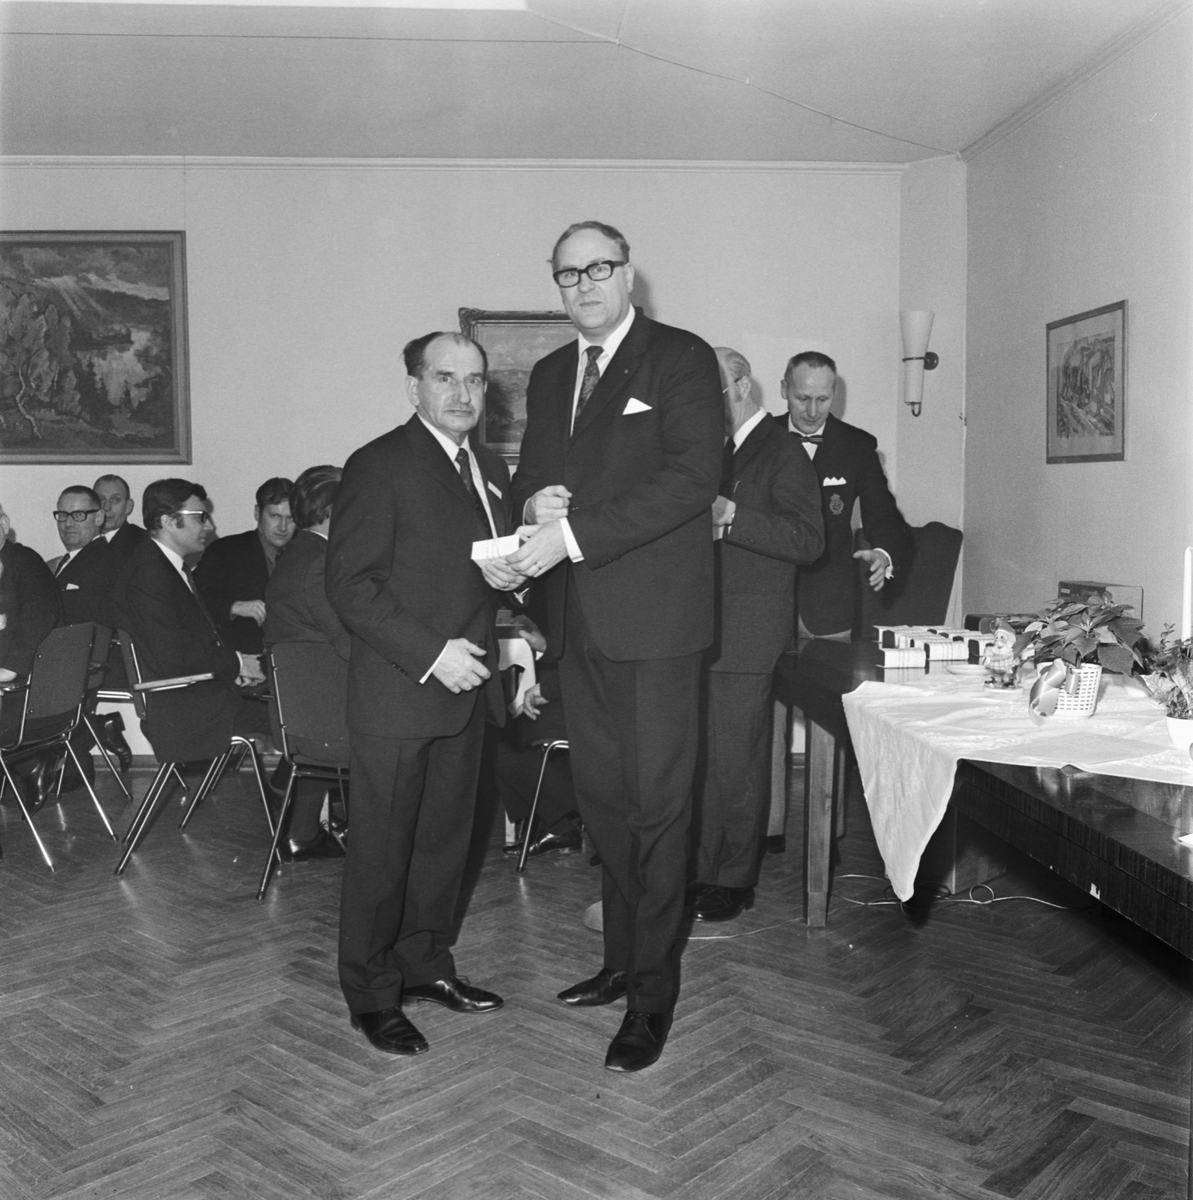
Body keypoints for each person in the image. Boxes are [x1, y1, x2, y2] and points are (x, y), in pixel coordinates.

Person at [508, 220, 723, 1072]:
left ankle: (651, 999)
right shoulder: (551, 374)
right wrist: (532, 506)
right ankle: (621, 960)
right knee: (602, 805)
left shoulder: (679, 358)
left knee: (658, 810)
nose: (584, 285)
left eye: (598, 268)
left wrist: (572, 536)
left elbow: (691, 481)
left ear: (628, 274)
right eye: (567, 274)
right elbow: (529, 479)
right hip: (578, 627)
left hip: (657, 627)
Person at [326, 331, 514, 1058]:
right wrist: (434, 655)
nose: (463, 394)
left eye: (475, 380)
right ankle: (372, 994)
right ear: (414, 388)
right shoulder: (378, 464)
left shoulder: (487, 466)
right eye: (445, 378)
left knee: (443, 844)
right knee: (382, 852)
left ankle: (425, 964)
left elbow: (475, 567)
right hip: (402, 690)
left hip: (468, 692)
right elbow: (351, 587)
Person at [689, 348, 823, 923]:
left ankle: (733, 879)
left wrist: (731, 515)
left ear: (742, 386)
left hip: (747, 634)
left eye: (712, 391)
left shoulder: (782, 450)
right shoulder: (718, 450)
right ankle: (703, 871)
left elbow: (808, 540)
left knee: (738, 762)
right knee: (709, 762)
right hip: (703, 629)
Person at [111, 479, 272, 767]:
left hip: (197, 694)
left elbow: (191, 642)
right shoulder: (148, 575)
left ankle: (289, 793)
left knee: (290, 702)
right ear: (168, 521)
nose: (209, 526)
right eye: (200, 517)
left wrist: (233, 666)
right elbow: (173, 655)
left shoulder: (163, 566)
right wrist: (236, 663)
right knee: (295, 712)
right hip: (185, 709)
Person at [783, 351, 911, 638]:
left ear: (835, 394)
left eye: (822, 399)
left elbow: (884, 516)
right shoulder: (763, 437)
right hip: (765, 602)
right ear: (784, 389)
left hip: (828, 605)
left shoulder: (857, 447)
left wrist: (883, 553)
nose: (812, 411)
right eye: (802, 398)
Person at [262, 465, 349, 862]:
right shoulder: (320, 563)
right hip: (321, 711)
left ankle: (304, 832)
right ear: (332, 511)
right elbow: (348, 640)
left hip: (309, 705)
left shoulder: (302, 553)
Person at [194, 477, 295, 655]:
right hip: (243, 657)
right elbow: (192, 600)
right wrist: (232, 607)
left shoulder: (306, 554)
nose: (283, 527)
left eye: (291, 518)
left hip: (294, 655)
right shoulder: (225, 551)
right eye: (275, 516)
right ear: (257, 513)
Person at [94, 474, 149, 559]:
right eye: (101, 499)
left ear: (128, 506)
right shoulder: (81, 539)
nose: (106, 507)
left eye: (115, 500)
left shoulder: (145, 542)